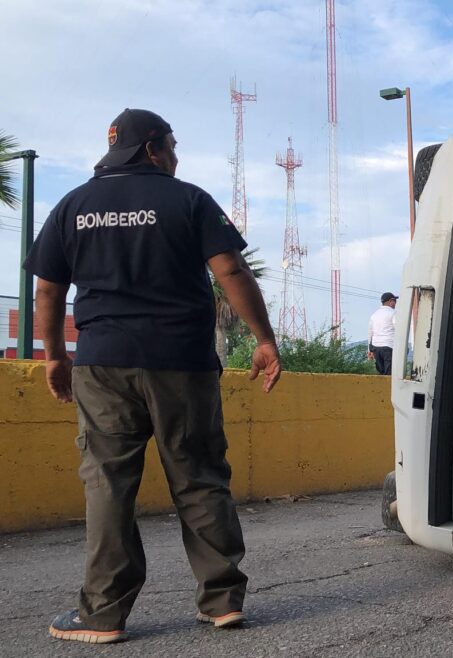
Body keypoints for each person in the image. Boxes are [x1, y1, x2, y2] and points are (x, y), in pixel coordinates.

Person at [22, 108, 282, 644]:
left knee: (108, 483)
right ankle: (221, 601)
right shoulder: (187, 199)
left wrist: (54, 355)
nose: (177, 154)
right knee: (201, 475)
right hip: (181, 361)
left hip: (103, 361)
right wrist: (263, 338)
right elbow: (230, 269)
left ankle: (103, 613)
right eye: (173, 144)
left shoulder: (73, 205)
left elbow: (47, 290)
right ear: (153, 148)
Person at [368, 292, 397, 375]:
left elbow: (370, 333)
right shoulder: (393, 313)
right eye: (395, 301)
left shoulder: (374, 315)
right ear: (391, 301)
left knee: (381, 373)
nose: (395, 303)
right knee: (390, 374)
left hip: (376, 348)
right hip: (388, 347)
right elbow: (398, 330)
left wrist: (369, 350)